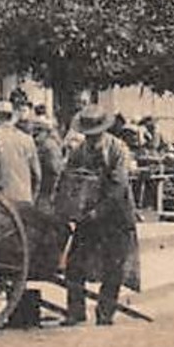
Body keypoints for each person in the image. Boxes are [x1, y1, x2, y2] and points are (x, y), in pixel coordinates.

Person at [63, 106, 141, 326]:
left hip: (116, 214)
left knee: (114, 265)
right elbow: (69, 177)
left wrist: (100, 209)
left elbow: (119, 185)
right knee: (75, 264)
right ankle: (75, 311)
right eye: (88, 134)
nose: (92, 138)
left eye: (95, 133)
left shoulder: (118, 149)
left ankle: (105, 313)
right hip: (87, 215)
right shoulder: (79, 151)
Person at [30, 114, 66, 212]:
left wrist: (53, 193)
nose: (35, 134)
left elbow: (55, 170)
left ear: (46, 132)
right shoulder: (41, 145)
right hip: (42, 190)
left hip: (48, 190)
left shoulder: (49, 146)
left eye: (39, 131)